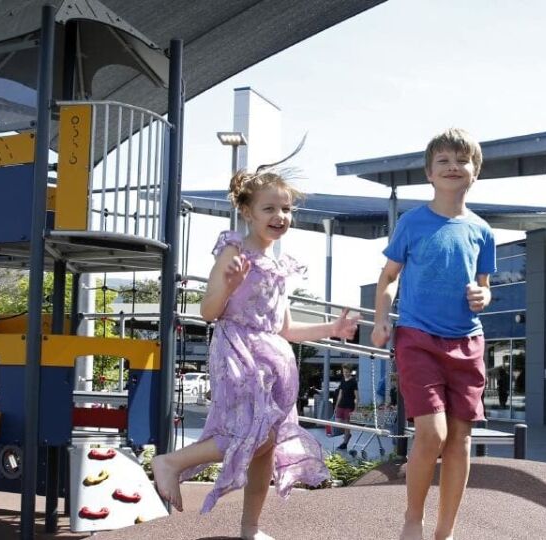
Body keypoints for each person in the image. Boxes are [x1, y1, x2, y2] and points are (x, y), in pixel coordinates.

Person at [151, 165, 360, 540]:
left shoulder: (279, 266)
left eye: (286, 209)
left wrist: (333, 329)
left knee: (266, 447)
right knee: (244, 431)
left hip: (274, 364)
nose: (280, 216)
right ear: (247, 211)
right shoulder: (234, 249)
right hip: (238, 353)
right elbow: (208, 311)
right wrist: (228, 284)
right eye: (270, 209)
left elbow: (285, 329)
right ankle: (171, 461)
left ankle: (250, 529)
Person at [371, 128, 495, 540]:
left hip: (467, 342)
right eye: (443, 161)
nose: (453, 167)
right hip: (417, 337)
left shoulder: (482, 231)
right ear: (429, 172)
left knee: (460, 438)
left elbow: (484, 286)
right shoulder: (413, 222)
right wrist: (381, 318)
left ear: (474, 172)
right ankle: (412, 519)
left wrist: (484, 295)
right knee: (433, 432)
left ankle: (446, 532)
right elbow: (388, 277)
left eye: (462, 161)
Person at [334, 363, 358, 449]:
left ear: (351, 372)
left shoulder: (353, 382)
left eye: (347, 372)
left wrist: (355, 409)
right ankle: (347, 434)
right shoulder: (343, 380)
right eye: (344, 372)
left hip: (349, 405)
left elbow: (357, 397)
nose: (345, 373)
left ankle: (344, 443)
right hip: (341, 404)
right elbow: (340, 394)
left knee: (347, 424)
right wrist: (336, 406)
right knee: (338, 422)